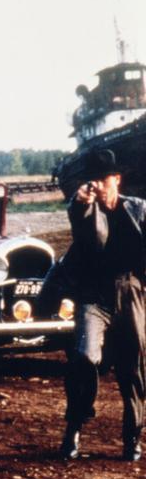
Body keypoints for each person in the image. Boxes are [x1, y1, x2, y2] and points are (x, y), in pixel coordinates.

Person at [59, 148, 146, 461]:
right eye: (91, 179)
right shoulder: (84, 207)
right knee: (84, 357)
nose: (96, 184)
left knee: (133, 368)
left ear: (116, 179)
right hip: (93, 295)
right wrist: (81, 200)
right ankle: (75, 425)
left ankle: (132, 437)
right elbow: (77, 215)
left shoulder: (138, 209)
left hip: (130, 291)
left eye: (102, 178)